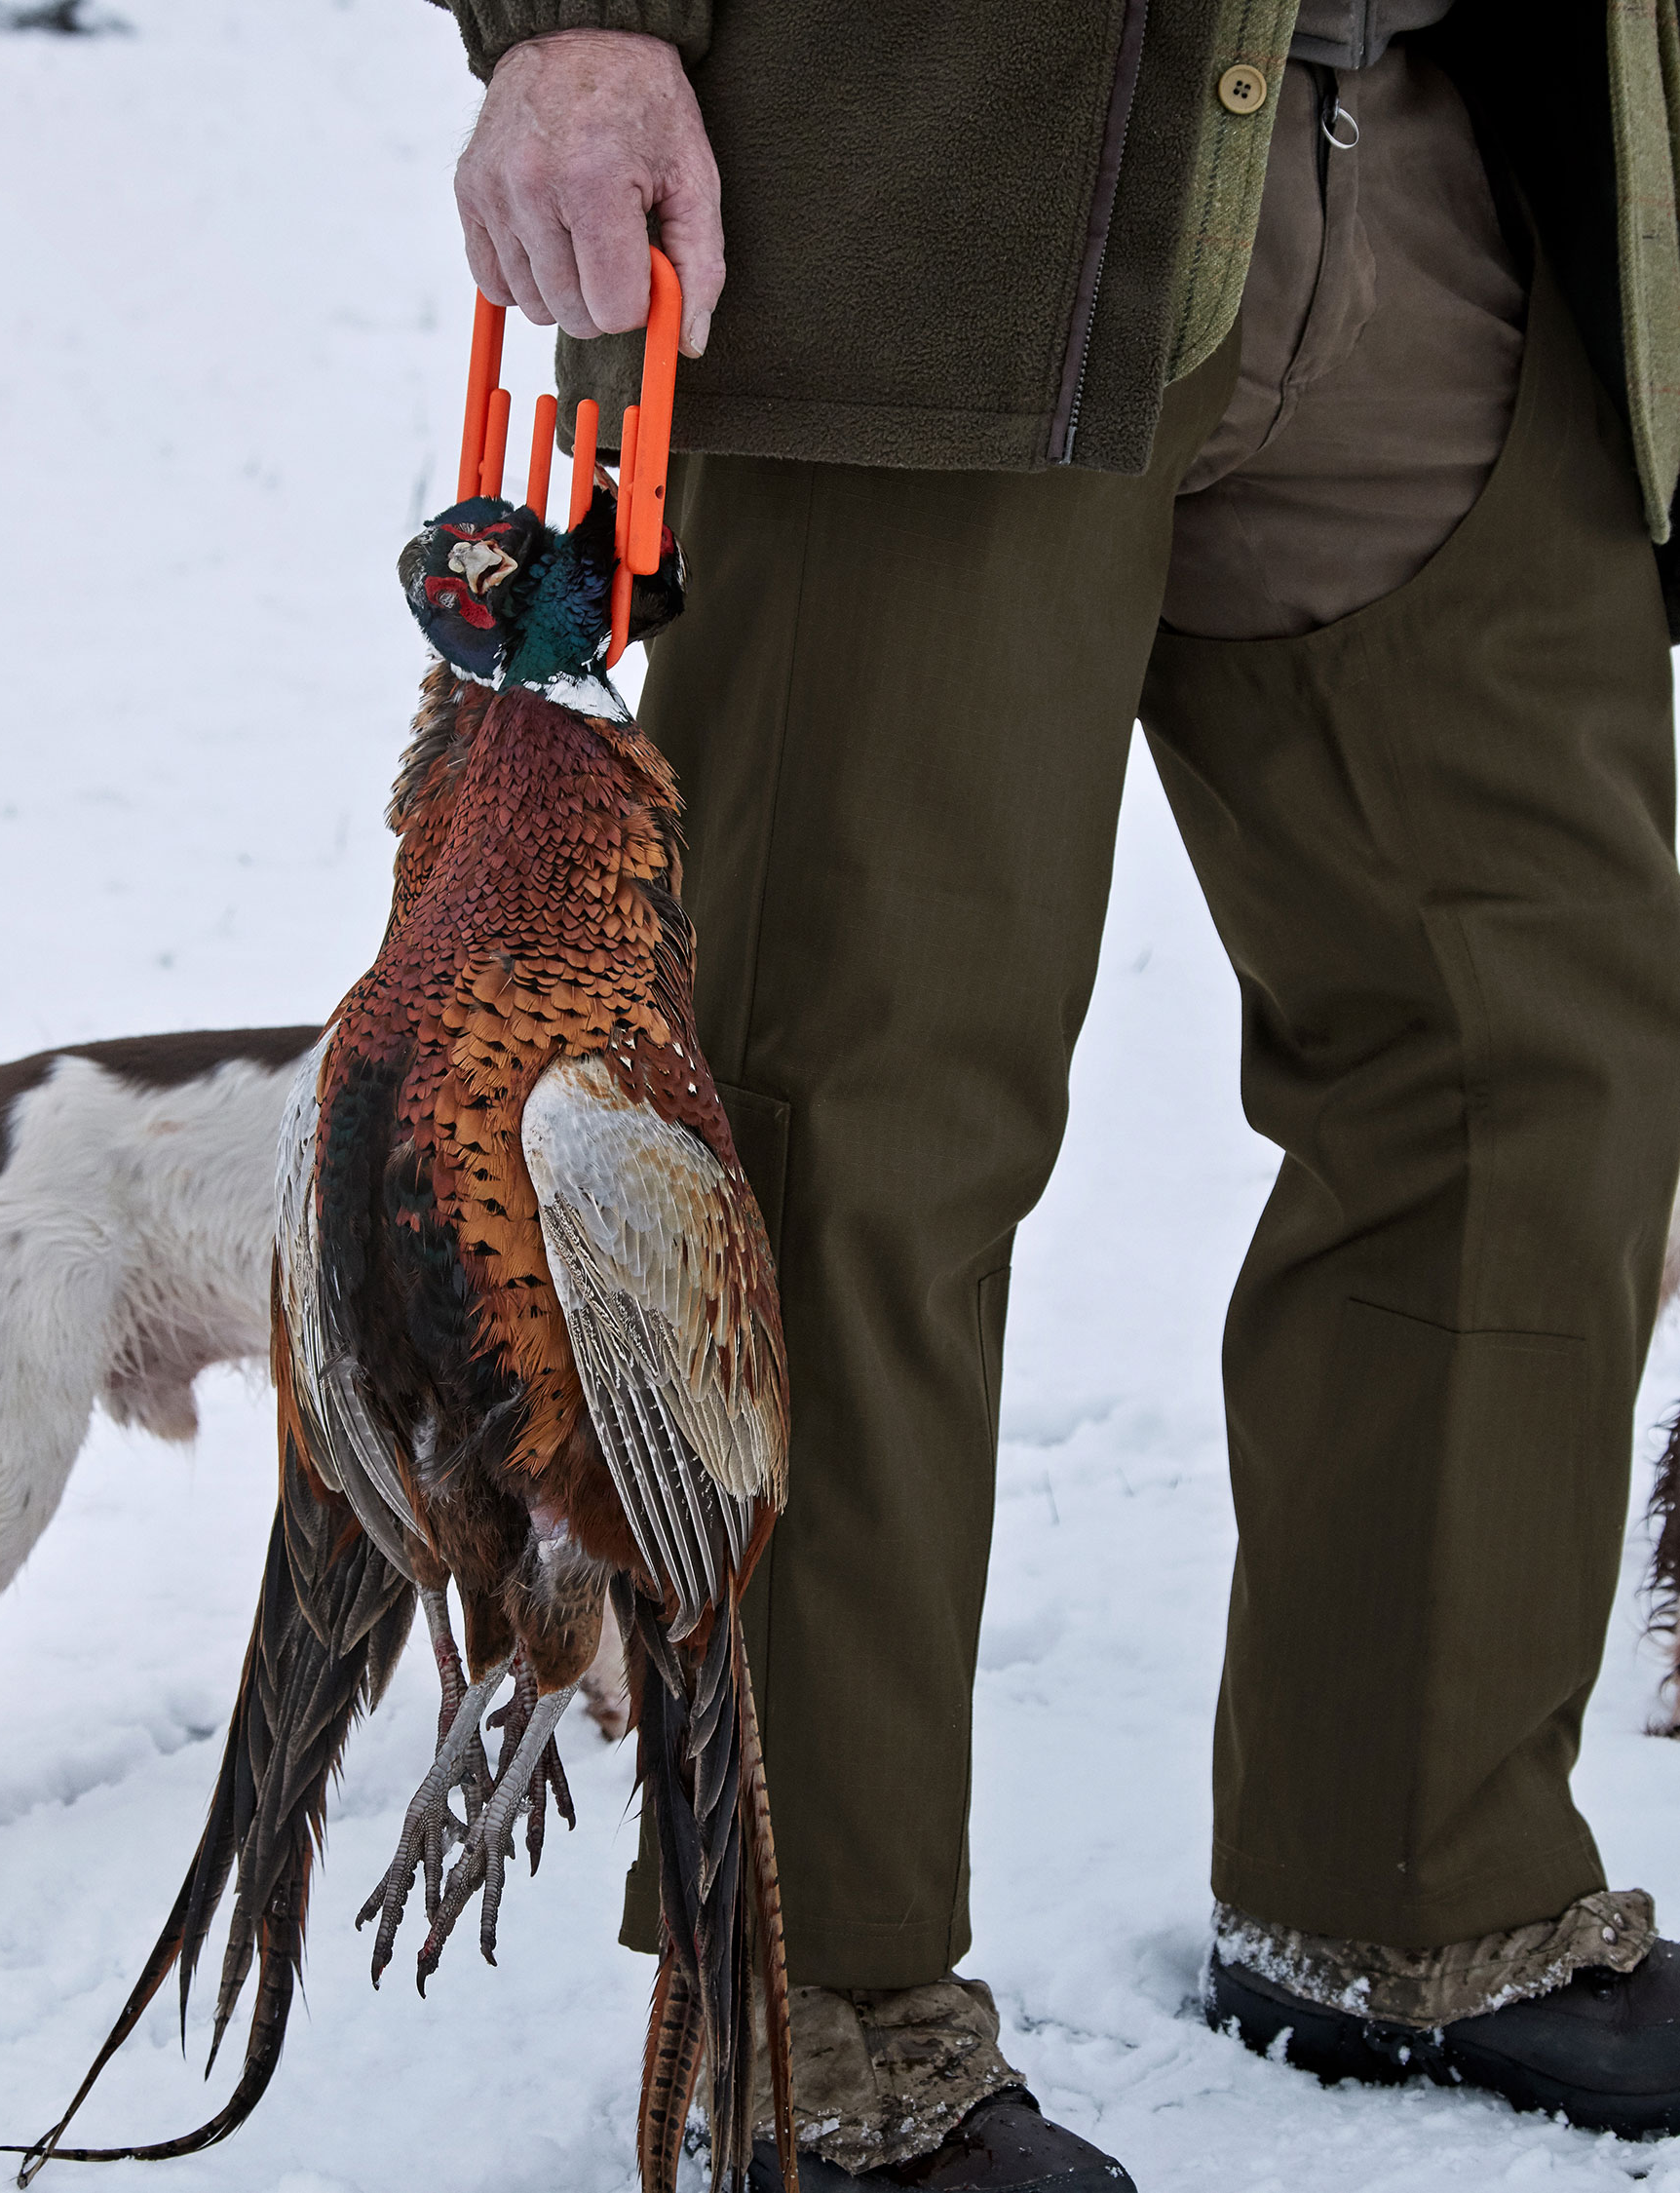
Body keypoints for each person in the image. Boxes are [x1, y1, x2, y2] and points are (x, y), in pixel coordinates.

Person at [433, 4, 1680, 2185]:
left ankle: (1414, 1877)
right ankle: (814, 2018)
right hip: (942, 187)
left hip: (1467, 149)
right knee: (854, 1109)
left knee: (1532, 1051)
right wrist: (570, 20)